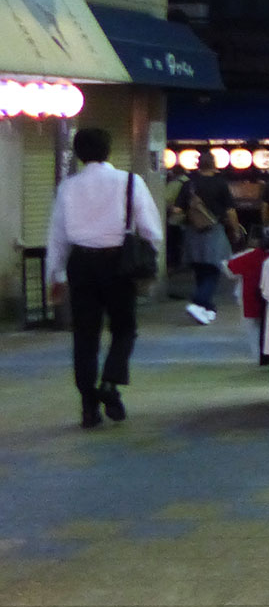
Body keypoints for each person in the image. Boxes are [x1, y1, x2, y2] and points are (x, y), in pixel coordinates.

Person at [46, 127, 164, 428]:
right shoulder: (129, 182)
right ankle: (110, 382)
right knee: (124, 328)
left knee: (85, 335)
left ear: (78, 153)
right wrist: (151, 259)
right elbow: (151, 230)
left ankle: (88, 406)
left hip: (80, 263)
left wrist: (55, 274)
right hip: (118, 263)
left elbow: (57, 236)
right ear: (108, 150)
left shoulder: (68, 187)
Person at [172, 160, 240, 323]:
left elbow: (177, 209)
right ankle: (198, 301)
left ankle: (206, 310)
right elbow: (230, 211)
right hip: (213, 231)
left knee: (200, 270)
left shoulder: (189, 185)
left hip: (192, 232)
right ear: (214, 165)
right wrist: (236, 230)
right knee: (213, 270)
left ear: (198, 165)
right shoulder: (220, 184)